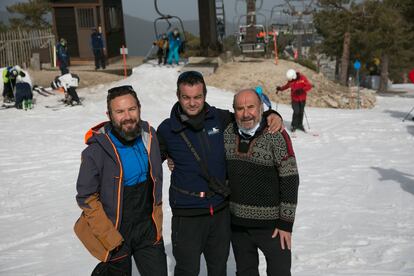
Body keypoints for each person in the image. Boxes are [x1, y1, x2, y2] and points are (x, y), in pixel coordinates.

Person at [157, 71, 283, 276]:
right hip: (187, 215)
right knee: (187, 270)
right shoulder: (167, 130)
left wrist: (271, 115)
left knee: (218, 269)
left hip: (220, 211)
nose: (192, 103)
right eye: (186, 97)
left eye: (197, 97)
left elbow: (248, 117)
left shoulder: (220, 118)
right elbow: (147, 162)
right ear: (178, 96)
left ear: (205, 95)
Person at [74, 85, 167, 276]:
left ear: (139, 108)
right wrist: (109, 237)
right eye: (120, 111)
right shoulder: (96, 151)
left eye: (132, 109)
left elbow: (161, 159)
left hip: (148, 229)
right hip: (115, 232)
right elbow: (86, 198)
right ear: (109, 114)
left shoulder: (149, 136)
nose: (127, 117)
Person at [225, 89, 299, 276]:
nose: (246, 113)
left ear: (261, 108)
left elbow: (290, 179)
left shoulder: (275, 134)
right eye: (240, 108)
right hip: (238, 226)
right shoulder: (227, 132)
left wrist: (285, 224)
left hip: (273, 228)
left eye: (251, 107)